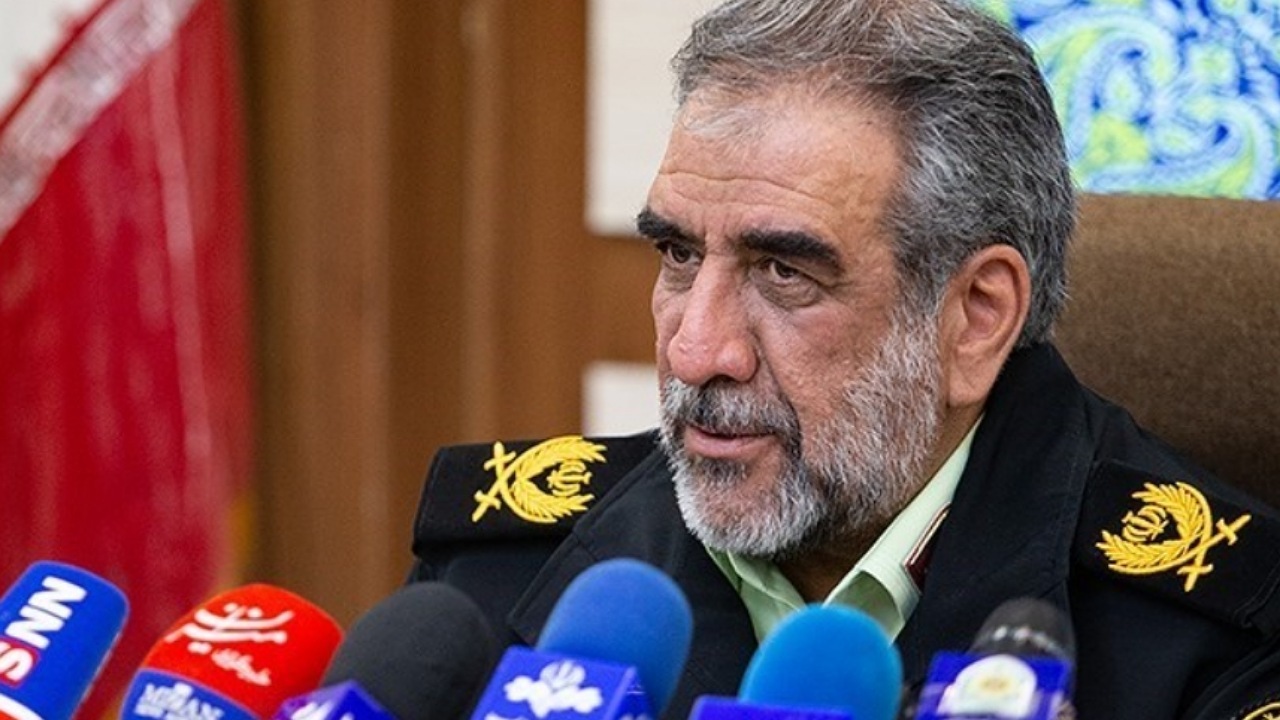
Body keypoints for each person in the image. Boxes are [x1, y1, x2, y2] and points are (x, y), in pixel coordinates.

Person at [409, 0, 1280, 717]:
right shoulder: (491, 578)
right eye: (678, 254)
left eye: (784, 272)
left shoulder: (1218, 641)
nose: (695, 348)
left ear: (975, 317)